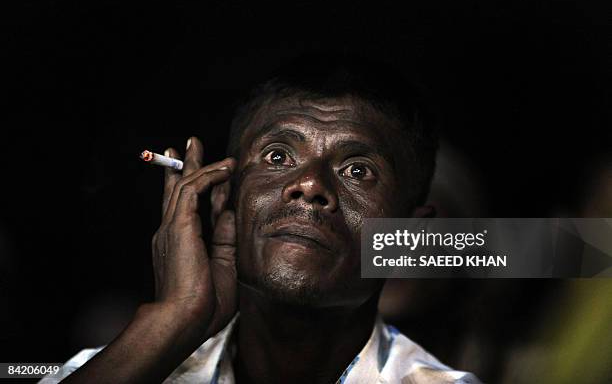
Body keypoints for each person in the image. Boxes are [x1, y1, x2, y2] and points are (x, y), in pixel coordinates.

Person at [41, 54, 480, 383]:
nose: (309, 184)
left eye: (357, 171)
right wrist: (171, 320)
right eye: (277, 155)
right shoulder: (119, 368)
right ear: (224, 200)